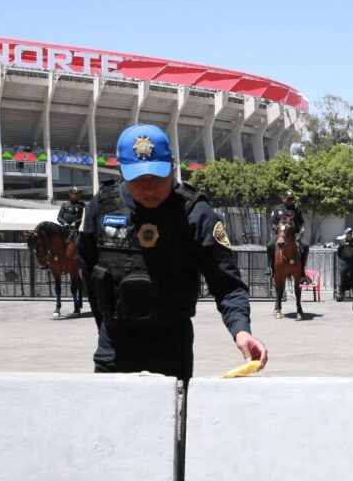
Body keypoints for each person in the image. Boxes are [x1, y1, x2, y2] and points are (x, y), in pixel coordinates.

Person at [79, 124, 267, 382]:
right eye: (138, 179)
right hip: (115, 343)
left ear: (173, 165)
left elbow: (227, 284)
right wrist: (104, 325)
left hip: (171, 344)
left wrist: (241, 330)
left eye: (157, 177)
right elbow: (89, 273)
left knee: (173, 419)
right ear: (120, 169)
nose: (148, 188)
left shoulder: (196, 213)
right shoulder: (101, 207)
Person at [267, 191, 310, 283]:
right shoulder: (277, 209)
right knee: (270, 245)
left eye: (292, 199)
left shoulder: (296, 208)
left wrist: (302, 229)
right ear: (283, 199)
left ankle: (302, 271)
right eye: (288, 199)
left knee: (305, 246)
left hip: (295, 234)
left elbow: (302, 221)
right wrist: (278, 231)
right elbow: (273, 223)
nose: (290, 201)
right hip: (281, 234)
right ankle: (270, 268)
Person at [336, 227, 353, 301]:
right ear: (346, 234)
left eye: (351, 233)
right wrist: (345, 258)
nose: (350, 235)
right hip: (345, 263)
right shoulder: (342, 243)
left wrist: (352, 257)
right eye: (348, 233)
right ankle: (341, 295)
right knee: (343, 279)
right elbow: (339, 252)